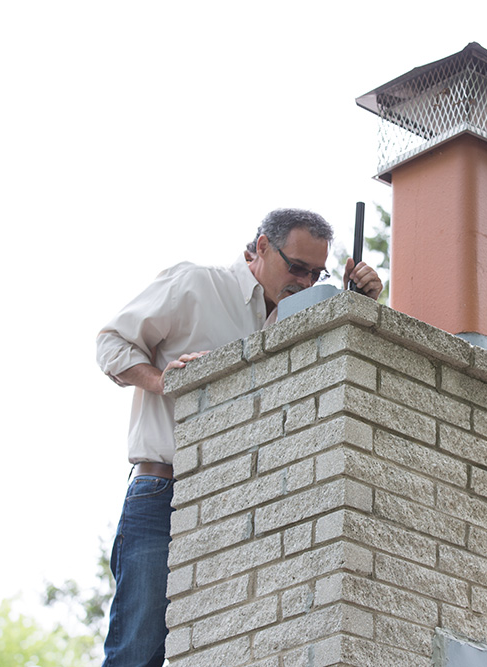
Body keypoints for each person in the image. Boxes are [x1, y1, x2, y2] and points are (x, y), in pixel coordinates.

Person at [95, 208, 382, 667]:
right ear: (262, 246)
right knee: (138, 652)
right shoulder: (196, 285)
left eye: (317, 274)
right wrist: (162, 381)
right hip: (165, 492)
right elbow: (112, 343)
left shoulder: (301, 318)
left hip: (243, 508)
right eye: (297, 268)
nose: (306, 282)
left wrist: (360, 306)